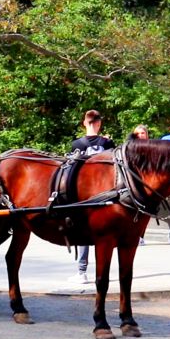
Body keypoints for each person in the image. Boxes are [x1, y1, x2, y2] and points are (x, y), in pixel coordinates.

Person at [68, 110, 116, 285]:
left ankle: (82, 271)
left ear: (84, 123)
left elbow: (71, 174)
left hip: (86, 195)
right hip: (107, 193)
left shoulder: (77, 144)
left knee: (82, 232)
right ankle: (104, 272)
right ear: (99, 123)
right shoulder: (108, 143)